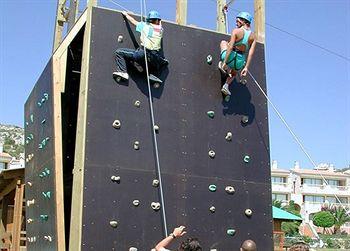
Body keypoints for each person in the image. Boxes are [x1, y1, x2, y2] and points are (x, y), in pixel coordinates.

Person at [113, 10, 168, 84]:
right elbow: (159, 24)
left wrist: (126, 14)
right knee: (153, 64)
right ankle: (152, 75)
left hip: (142, 53)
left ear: (149, 20)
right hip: (154, 57)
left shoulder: (145, 26)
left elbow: (133, 21)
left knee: (119, 52)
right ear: (158, 20)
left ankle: (122, 72)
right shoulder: (161, 30)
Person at [218, 11, 256, 96]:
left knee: (223, 42)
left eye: (237, 21)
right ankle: (226, 85)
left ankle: (224, 65)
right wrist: (246, 67)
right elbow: (250, 53)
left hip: (230, 57)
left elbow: (230, 47)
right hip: (239, 61)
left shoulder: (236, 31)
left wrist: (224, 63)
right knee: (234, 73)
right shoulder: (253, 36)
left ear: (243, 21)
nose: (236, 23)